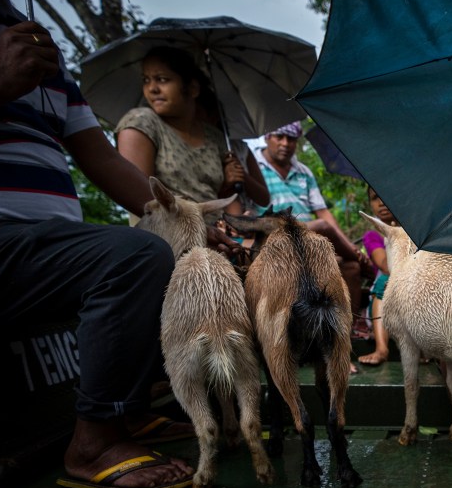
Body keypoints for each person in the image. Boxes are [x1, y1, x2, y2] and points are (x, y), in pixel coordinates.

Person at [0, 0, 198, 488]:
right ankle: (95, 441)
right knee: (132, 257)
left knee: (183, 255)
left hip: (41, 250)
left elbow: (99, 157)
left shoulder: (30, 39)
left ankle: (126, 408)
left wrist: (190, 217)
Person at [115, 46, 269, 215]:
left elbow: (218, 198)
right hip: (168, 236)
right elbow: (140, 200)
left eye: (162, 79)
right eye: (146, 80)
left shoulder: (214, 137)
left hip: (217, 232)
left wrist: (234, 221)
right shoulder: (142, 122)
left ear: (193, 88)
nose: (152, 88)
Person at [254, 121, 371, 338]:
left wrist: (342, 242)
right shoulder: (255, 167)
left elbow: (323, 211)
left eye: (291, 139)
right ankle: (367, 264)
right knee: (323, 226)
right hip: (275, 239)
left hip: (310, 243)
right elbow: (323, 222)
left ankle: (343, 336)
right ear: (267, 138)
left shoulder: (303, 172)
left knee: (352, 267)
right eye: (279, 137)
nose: (285, 143)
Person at [358, 185, 396, 366]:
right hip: (384, 300)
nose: (381, 202)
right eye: (375, 198)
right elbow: (385, 265)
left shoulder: (414, 232)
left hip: (411, 296)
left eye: (386, 196)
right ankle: (382, 349)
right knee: (384, 281)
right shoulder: (372, 236)